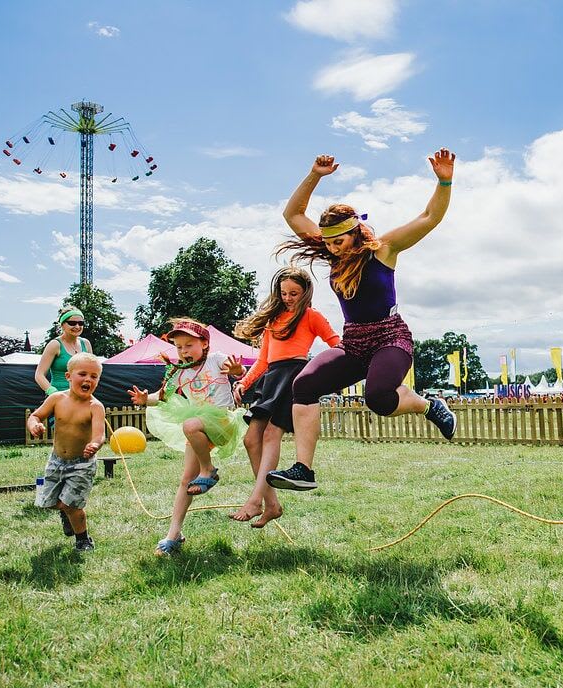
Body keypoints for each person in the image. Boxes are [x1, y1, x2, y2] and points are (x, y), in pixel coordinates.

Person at [266, 149, 458, 491]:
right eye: (328, 243)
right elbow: (292, 214)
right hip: (354, 342)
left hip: (390, 338)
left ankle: (427, 405)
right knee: (304, 385)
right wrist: (315, 175)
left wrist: (444, 180)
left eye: (339, 241)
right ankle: (303, 470)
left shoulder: (384, 249)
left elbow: (430, 217)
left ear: (355, 232)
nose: (333, 249)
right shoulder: (331, 249)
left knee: (379, 398)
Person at [228, 266, 341, 527]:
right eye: (284, 293)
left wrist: (323, 373)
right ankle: (272, 505)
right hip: (272, 378)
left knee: (270, 435)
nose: (288, 298)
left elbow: (337, 344)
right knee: (250, 440)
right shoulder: (272, 321)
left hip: (294, 375)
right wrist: (243, 382)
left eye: (294, 293)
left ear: (305, 293)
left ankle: (255, 502)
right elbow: (264, 360)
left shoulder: (312, 316)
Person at [128, 319, 247, 556]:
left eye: (189, 345)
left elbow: (237, 369)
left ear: (204, 344)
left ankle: (208, 470)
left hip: (221, 423)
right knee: (185, 480)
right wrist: (145, 399)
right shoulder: (179, 373)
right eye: (179, 346)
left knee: (190, 424)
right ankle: (174, 535)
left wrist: (236, 371)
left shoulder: (215, 359)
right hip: (199, 431)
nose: (183, 351)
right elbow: (163, 396)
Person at [26, 352, 105, 552]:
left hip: (82, 464)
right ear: (69, 377)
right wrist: (34, 424)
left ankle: (83, 539)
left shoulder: (95, 407)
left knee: (73, 506)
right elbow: (35, 416)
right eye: (83, 374)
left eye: (94, 376)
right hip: (56, 461)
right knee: (49, 503)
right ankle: (65, 512)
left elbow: (99, 435)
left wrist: (95, 445)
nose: (88, 379)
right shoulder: (56, 399)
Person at [35, 305, 94, 396]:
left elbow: (92, 372)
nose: (77, 326)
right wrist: (53, 393)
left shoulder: (86, 344)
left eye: (81, 323)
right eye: (72, 323)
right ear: (62, 325)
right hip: (59, 397)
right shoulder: (55, 345)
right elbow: (39, 375)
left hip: (81, 397)